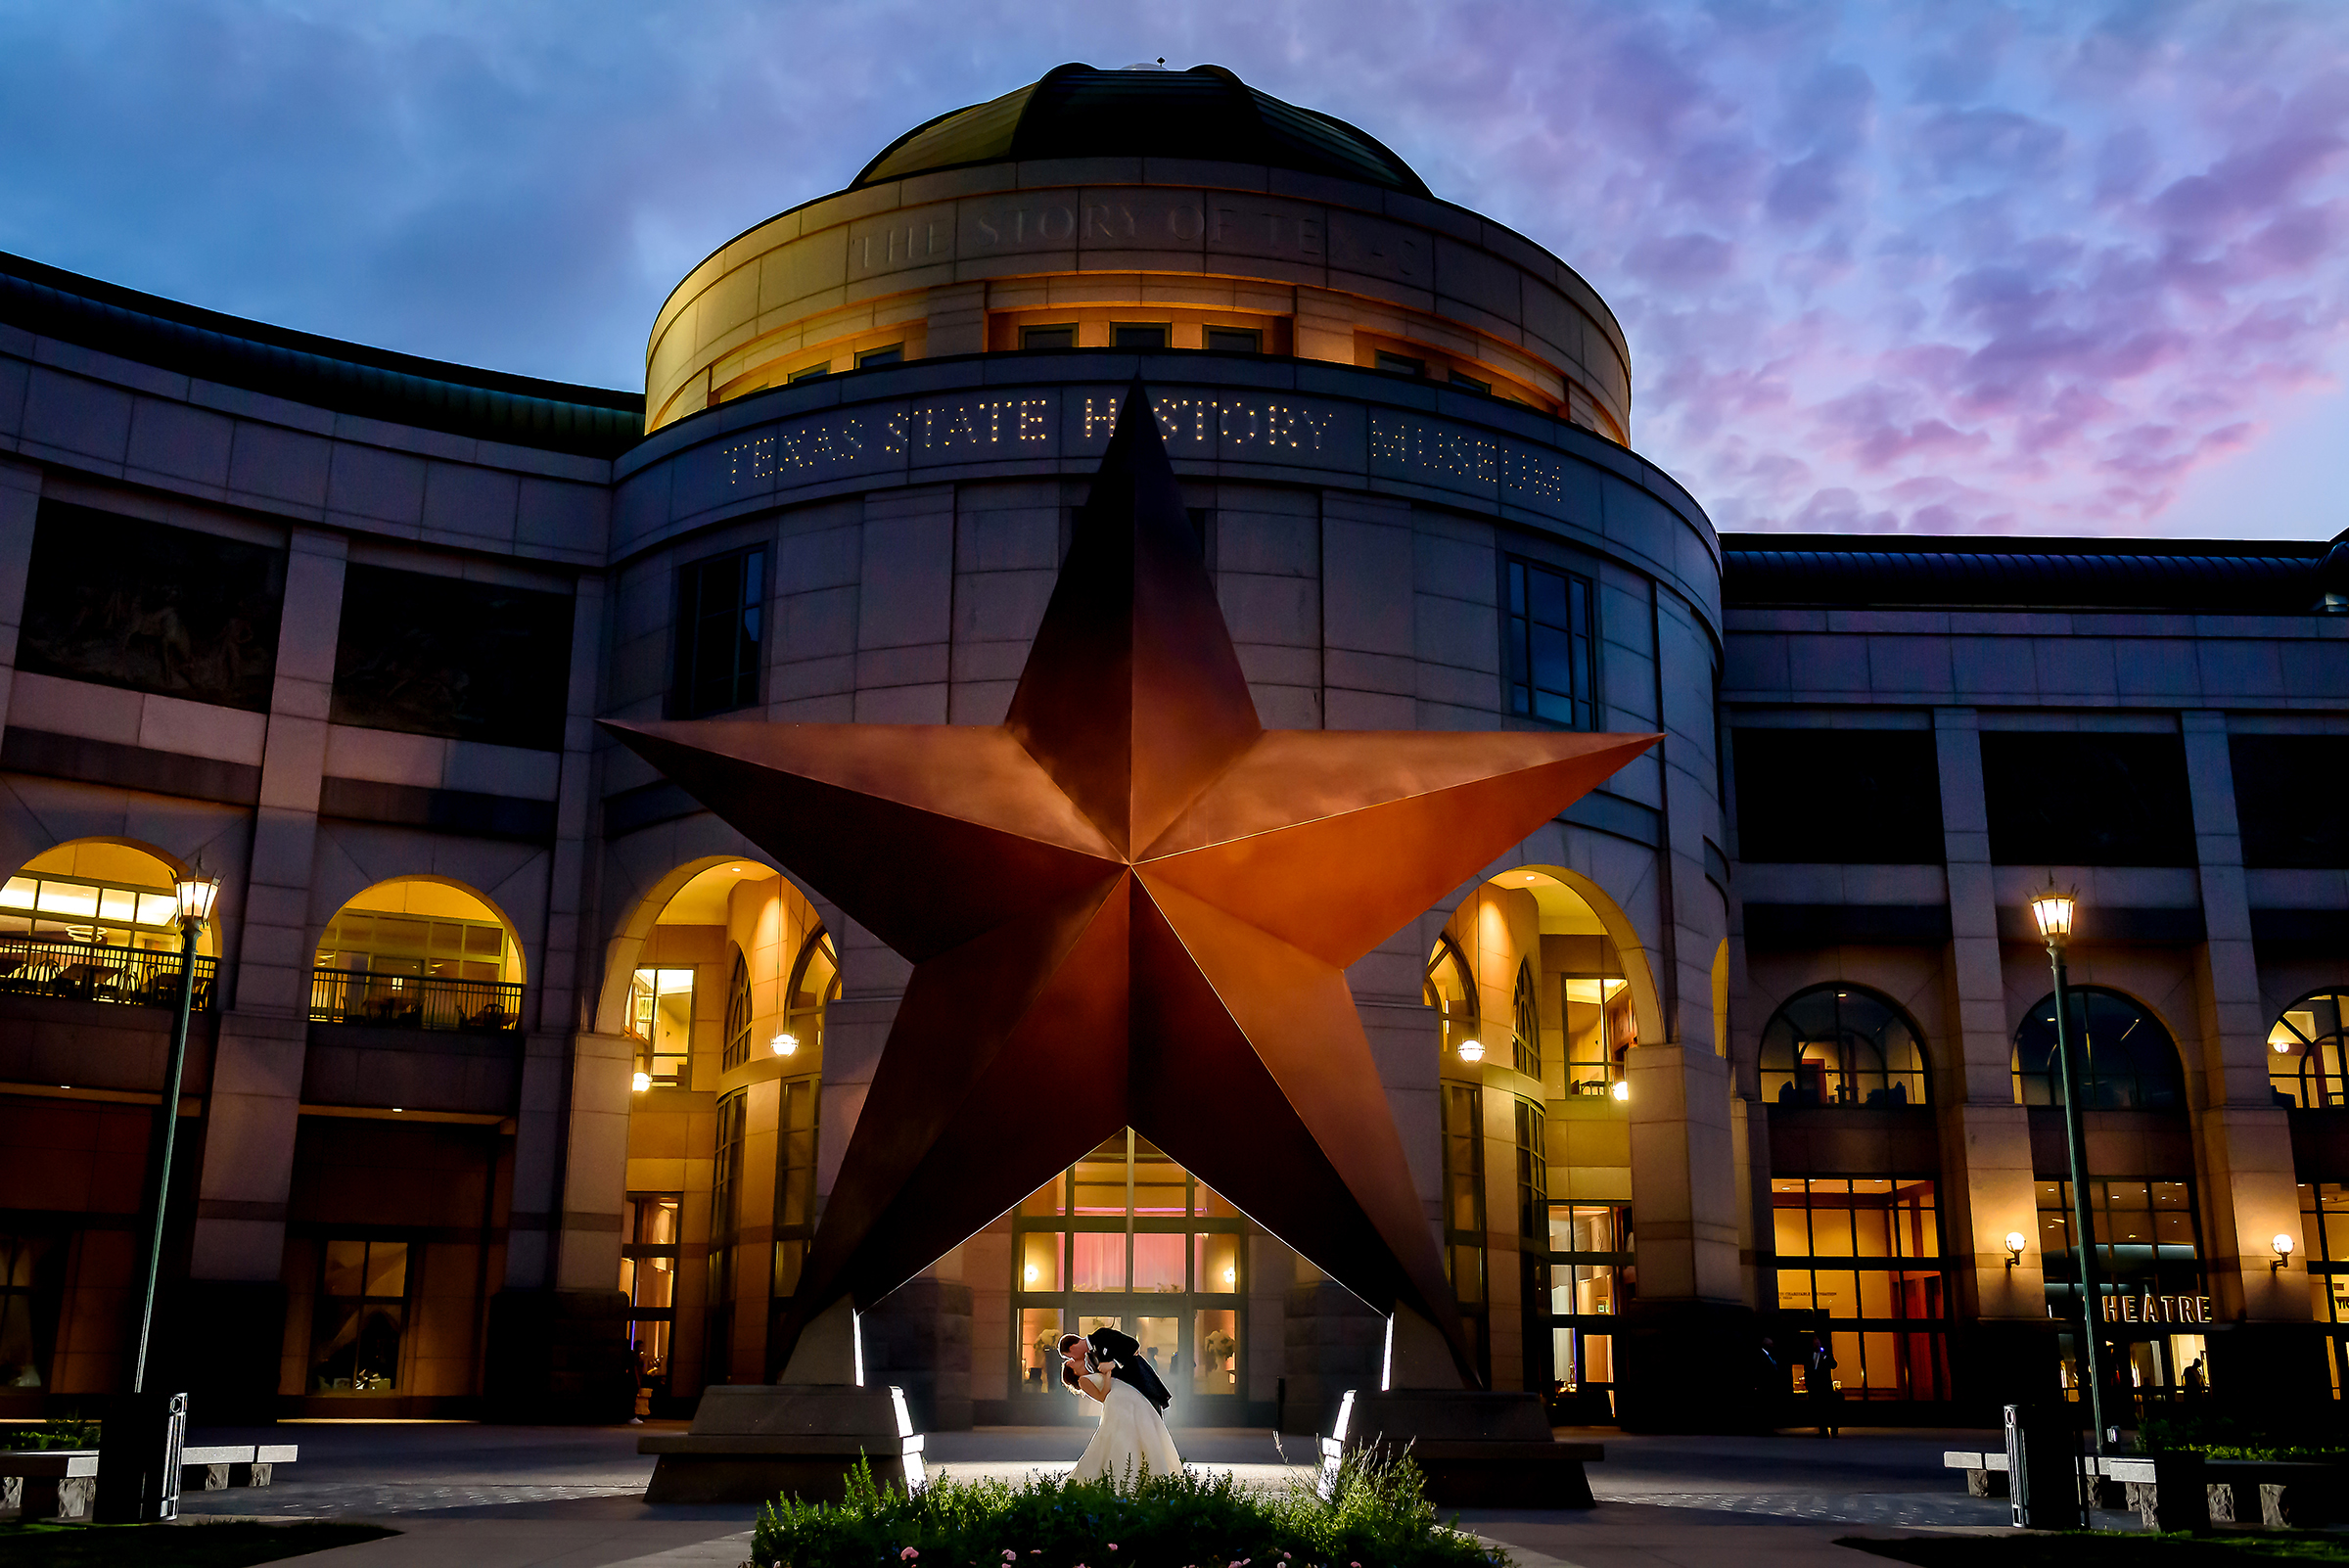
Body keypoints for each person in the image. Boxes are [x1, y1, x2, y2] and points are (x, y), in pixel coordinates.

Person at [1061, 1331, 1181, 1486]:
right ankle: (1132, 1477)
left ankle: (1146, 1475)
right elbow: (1103, 1393)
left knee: (1143, 1433)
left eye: (1069, 1357)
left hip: (1135, 1390)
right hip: (1120, 1402)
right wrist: (1107, 1373)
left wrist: (1113, 1364)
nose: (1073, 1359)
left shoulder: (1100, 1337)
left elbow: (1131, 1345)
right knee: (1125, 1438)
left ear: (1072, 1349)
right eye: (1069, 1360)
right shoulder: (1088, 1367)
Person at [1807, 1335, 1841, 1438]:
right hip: (1816, 1388)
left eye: (1817, 1343)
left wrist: (1825, 1356)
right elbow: (1808, 1371)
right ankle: (1823, 1431)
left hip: (1826, 1387)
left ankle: (1834, 1430)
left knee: (1830, 1409)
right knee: (1819, 1410)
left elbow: (1834, 1365)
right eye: (1814, 1344)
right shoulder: (1810, 1356)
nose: (1816, 1345)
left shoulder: (1826, 1354)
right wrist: (1809, 1385)